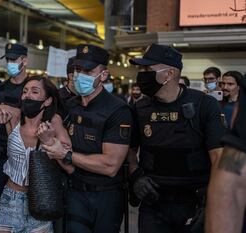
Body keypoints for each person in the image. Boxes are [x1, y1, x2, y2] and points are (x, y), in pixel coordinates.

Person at [128, 44, 225, 233]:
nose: (142, 75)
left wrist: (212, 202)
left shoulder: (205, 105)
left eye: (148, 69)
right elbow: (130, 152)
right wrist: (136, 177)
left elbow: (219, 159)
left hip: (194, 203)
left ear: (170, 73)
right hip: (153, 203)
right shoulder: (139, 108)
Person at [43, 44, 132, 233]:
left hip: (105, 196)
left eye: (88, 71)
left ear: (104, 75)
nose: (80, 75)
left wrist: (66, 154)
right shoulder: (69, 106)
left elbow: (110, 165)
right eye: (77, 70)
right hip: (74, 192)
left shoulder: (117, 110)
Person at [0, 76, 72, 232]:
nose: (27, 95)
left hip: (41, 201)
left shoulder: (54, 122)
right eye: (25, 91)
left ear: (47, 101)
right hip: (10, 199)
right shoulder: (14, 117)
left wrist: (49, 142)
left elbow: (70, 167)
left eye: (34, 91)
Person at [0, 43, 29, 210]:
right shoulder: (1, 88)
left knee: (20, 205)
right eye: (8, 59)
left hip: (22, 155)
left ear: (24, 61)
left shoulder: (32, 88)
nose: (10, 63)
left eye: (14, 59)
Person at [205, 73, 246, 233]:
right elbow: (231, 176)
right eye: (223, 84)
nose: (225, 87)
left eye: (230, 84)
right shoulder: (216, 106)